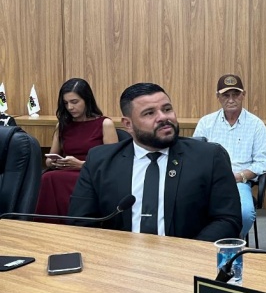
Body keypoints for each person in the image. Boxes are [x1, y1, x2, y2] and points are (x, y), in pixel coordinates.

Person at [69, 83, 241, 241]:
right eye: (149, 113)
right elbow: (80, 221)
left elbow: (228, 219)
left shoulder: (209, 157)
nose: (163, 117)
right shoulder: (100, 161)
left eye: (167, 109)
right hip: (119, 258)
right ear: (128, 124)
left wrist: (187, 254)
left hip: (186, 257)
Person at [193, 74, 266, 238]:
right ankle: (205, 243)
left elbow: (261, 163)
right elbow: (196, 157)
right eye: (226, 95)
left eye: (236, 94)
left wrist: (239, 176)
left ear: (243, 95)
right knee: (187, 209)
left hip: (239, 181)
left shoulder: (256, 125)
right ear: (218, 97)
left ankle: (234, 241)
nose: (231, 100)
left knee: (245, 214)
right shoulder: (206, 123)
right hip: (209, 182)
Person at [35, 78, 119, 216]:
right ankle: (49, 225)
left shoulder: (105, 124)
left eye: (74, 102)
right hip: (65, 170)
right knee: (47, 177)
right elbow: (50, 158)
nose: (69, 107)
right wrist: (53, 162)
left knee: (58, 179)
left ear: (87, 100)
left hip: (91, 174)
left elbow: (113, 164)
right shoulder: (62, 125)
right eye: (65, 103)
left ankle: (74, 223)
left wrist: (81, 165)